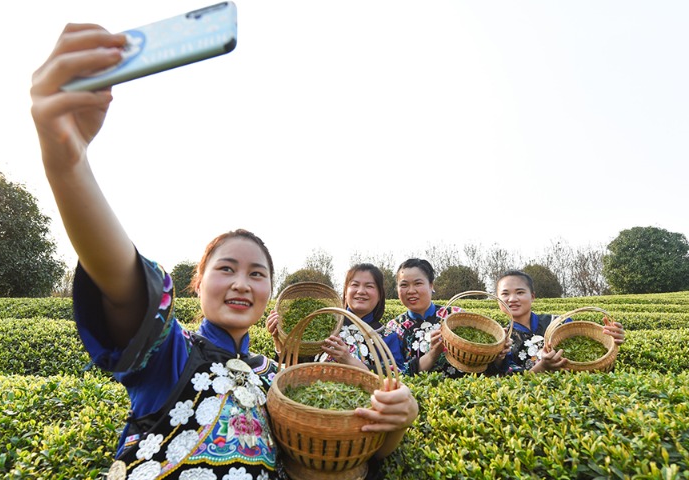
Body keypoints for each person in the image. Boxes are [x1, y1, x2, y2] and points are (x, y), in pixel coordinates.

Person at [31, 24, 418, 480]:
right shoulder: (171, 354)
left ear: (270, 290)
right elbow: (120, 282)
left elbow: (353, 450)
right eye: (227, 268)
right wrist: (67, 163)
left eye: (257, 274)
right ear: (198, 282)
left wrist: (396, 421)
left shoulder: (280, 379)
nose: (241, 282)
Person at [383, 258, 510, 377]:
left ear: (431, 285)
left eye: (418, 283)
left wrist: (498, 354)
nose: (411, 290)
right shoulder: (394, 328)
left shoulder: (456, 316)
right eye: (404, 285)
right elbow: (398, 374)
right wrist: (433, 354)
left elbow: (483, 364)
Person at [495, 269, 626, 374]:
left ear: (532, 296)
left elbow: (591, 362)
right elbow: (510, 380)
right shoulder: (503, 338)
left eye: (520, 292)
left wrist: (610, 342)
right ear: (497, 299)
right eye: (505, 294)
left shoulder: (559, 322)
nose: (512, 299)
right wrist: (543, 367)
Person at [267, 263, 388, 369]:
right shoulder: (327, 324)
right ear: (345, 292)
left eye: (369, 286)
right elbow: (295, 367)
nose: (361, 291)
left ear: (379, 295)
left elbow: (394, 378)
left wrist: (349, 360)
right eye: (355, 285)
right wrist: (279, 340)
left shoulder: (387, 336)